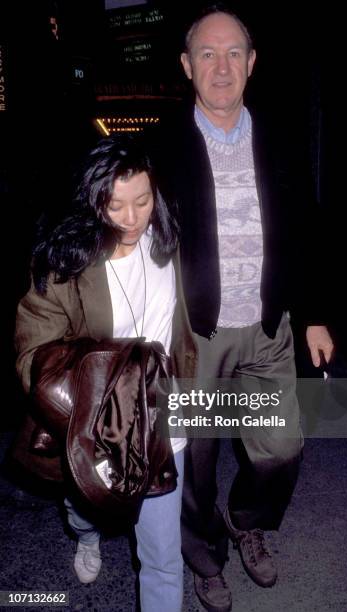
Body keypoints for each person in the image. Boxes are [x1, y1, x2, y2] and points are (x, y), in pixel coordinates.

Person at [153, 4, 334, 611]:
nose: (222, 66)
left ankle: (247, 519)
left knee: (281, 445)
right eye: (207, 53)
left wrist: (312, 313)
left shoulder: (280, 135)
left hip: (267, 327)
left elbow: (305, 228)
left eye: (234, 53)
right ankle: (204, 555)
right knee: (194, 462)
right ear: (187, 65)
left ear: (253, 64)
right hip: (195, 334)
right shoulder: (161, 145)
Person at [14, 134, 196, 612]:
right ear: (93, 200)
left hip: (160, 420)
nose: (132, 219)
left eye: (143, 201)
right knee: (83, 509)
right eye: (115, 205)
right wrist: (81, 405)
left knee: (161, 556)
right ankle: (87, 537)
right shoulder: (66, 261)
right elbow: (32, 345)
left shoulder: (170, 241)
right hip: (95, 421)